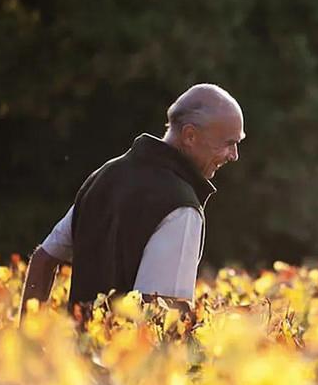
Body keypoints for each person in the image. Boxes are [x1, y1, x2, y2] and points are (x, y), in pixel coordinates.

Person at [19, 83, 245, 316]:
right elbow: (160, 312)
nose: (234, 155)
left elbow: (42, 260)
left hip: (77, 351)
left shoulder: (104, 176)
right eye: (229, 143)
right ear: (190, 136)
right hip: (128, 352)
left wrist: (27, 342)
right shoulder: (181, 206)